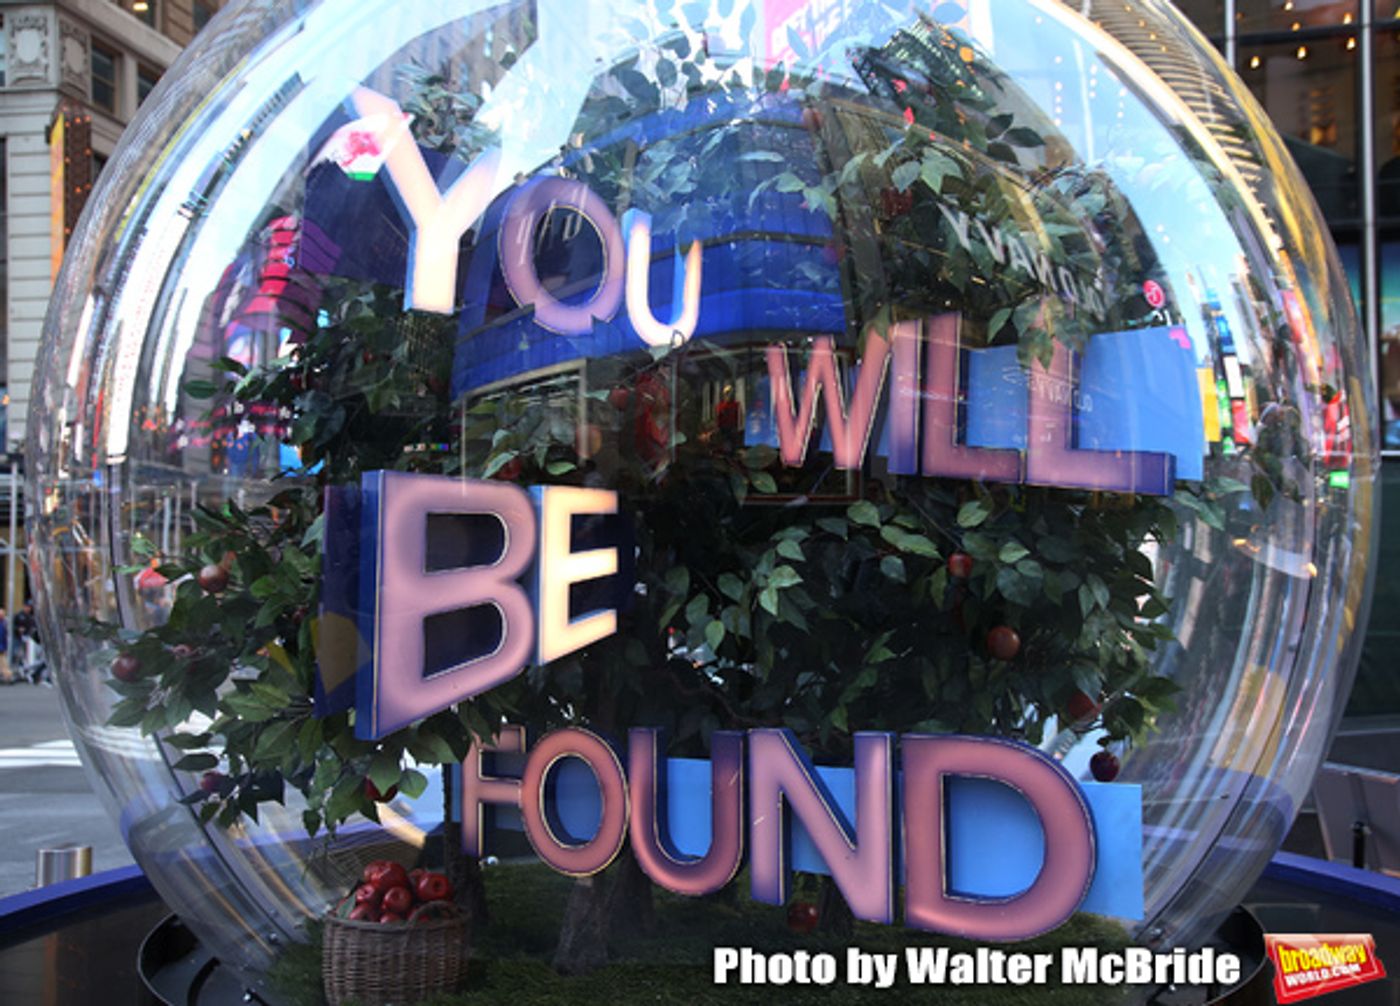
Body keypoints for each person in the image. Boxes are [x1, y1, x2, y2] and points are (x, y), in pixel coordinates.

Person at [0, 608, 10, 684]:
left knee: (3, 662)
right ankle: (7, 675)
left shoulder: (3, 624)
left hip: (1, 647)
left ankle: (7, 675)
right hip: (2, 646)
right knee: (3, 662)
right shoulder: (4, 624)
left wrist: (5, 647)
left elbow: (4, 637)